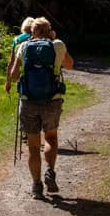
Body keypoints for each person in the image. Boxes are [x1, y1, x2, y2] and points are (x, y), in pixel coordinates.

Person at [7, 17, 75, 199]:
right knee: (51, 138)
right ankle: (50, 171)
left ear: (32, 31)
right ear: (49, 30)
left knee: (33, 146)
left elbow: (14, 75)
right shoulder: (57, 45)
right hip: (52, 99)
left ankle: (37, 186)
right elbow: (70, 65)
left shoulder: (23, 46)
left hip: (28, 100)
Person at [4, 17, 34, 95]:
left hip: (21, 71)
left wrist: (8, 82)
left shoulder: (16, 39)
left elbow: (11, 61)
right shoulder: (36, 37)